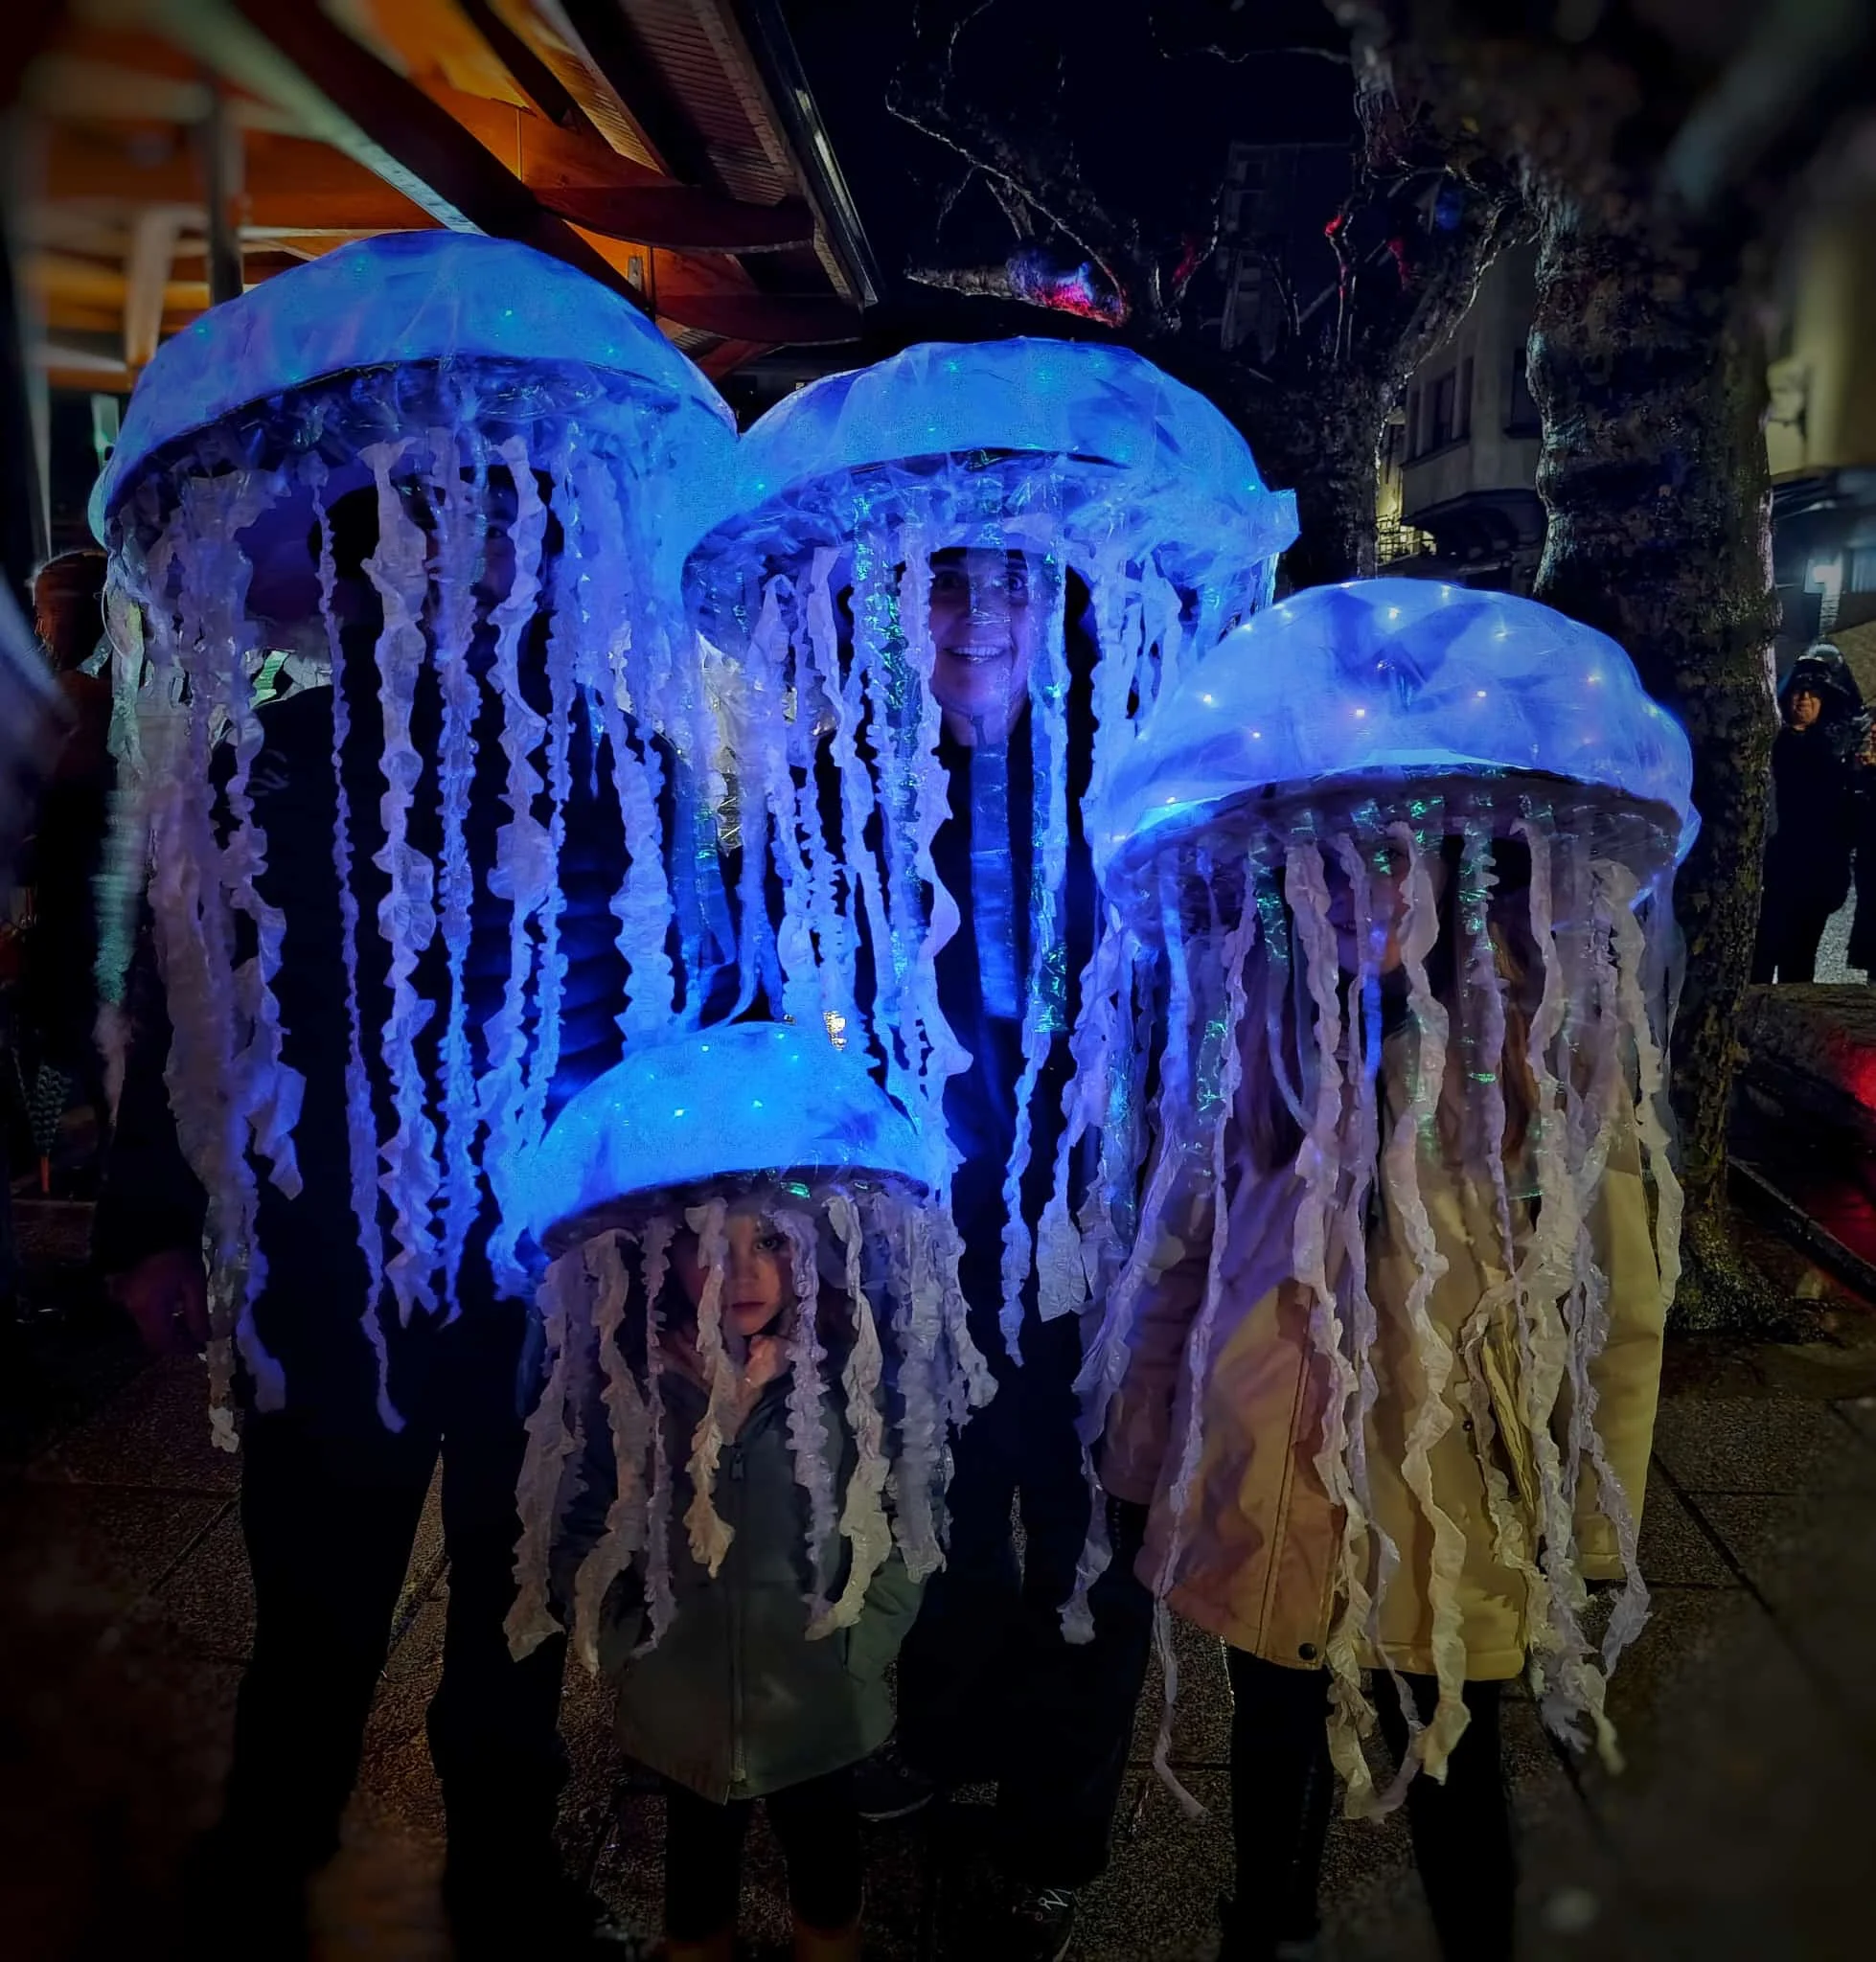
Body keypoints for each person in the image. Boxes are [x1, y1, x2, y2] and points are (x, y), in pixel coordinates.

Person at [1084, 580, 1688, 1962]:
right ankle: (1265, 1922)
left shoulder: (1548, 1056)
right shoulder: (1258, 1035)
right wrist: (1141, 1444)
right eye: (1345, 859)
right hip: (1267, 1464)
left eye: (1413, 856)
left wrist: (1596, 1517)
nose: (1377, 890)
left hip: (1454, 1487)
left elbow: (1622, 1298)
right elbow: (1183, 1247)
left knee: (1453, 1749)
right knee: (1270, 1723)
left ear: (1480, 862)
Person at [514, 1021, 984, 1962]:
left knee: (825, 1865)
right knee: (695, 1878)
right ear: (660, 1253)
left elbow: (908, 1512)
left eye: (769, 1239)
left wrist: (864, 1643)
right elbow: (579, 1511)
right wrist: (621, 1637)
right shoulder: (631, 1384)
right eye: (707, 1243)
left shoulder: (846, 1377)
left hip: (820, 1697)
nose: (742, 1271)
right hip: (678, 1699)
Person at [878, 546, 1155, 1961]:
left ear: (1056, 605)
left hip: (1106, 1218)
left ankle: (1056, 1831)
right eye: (946, 578)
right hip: (928, 1219)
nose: (976, 611)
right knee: (944, 1497)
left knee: (1096, 1520)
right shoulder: (856, 780)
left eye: (1011, 580)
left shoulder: (1139, 774)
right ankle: (946, 1734)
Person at [1752, 643, 1868, 983]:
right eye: (1799, 691)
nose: (1804, 699)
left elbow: (1848, 819)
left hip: (1815, 875)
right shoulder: (1769, 744)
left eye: (1813, 693)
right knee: (1761, 956)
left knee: (1799, 959)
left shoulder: (1837, 754)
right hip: (1775, 871)